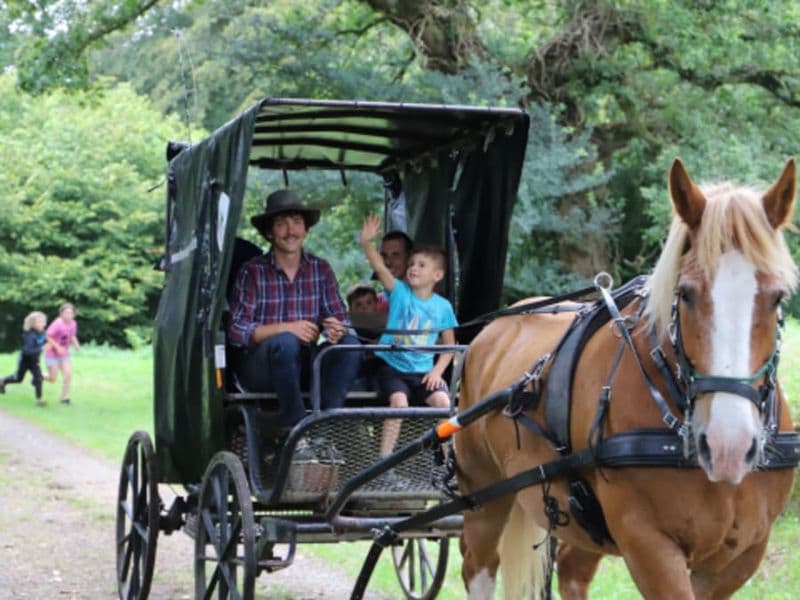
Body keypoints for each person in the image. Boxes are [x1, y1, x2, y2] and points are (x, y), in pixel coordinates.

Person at [227, 189, 362, 436]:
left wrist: (335, 329)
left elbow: (341, 319)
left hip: (305, 364)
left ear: (306, 230)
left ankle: (325, 428)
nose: (291, 231)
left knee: (349, 344)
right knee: (286, 342)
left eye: (297, 223)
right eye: (282, 224)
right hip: (261, 368)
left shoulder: (320, 269)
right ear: (269, 232)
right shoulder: (252, 271)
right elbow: (236, 331)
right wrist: (286, 328)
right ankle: (295, 426)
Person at [359, 215, 457, 459]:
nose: (413, 268)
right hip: (392, 367)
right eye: (411, 263)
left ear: (437, 275)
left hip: (423, 372)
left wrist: (436, 372)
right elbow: (380, 267)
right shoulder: (400, 292)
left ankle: (449, 462)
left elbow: (450, 345)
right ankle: (385, 461)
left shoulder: (443, 307)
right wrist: (366, 242)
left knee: (444, 404)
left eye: (421, 265)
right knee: (399, 403)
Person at [1, 311, 51, 406]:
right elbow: (28, 351)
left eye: (43, 322)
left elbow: (43, 342)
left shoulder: (42, 332)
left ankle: (39, 400)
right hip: (24, 360)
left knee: (38, 378)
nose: (42, 324)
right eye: (39, 322)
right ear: (32, 323)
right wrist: (42, 349)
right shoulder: (29, 335)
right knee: (18, 379)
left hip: (34, 361)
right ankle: (3, 381)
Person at [45, 302, 80, 405]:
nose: (68, 315)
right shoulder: (57, 323)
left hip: (64, 354)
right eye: (66, 313)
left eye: (71, 313)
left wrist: (76, 345)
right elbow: (48, 336)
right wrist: (57, 347)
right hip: (52, 354)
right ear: (61, 313)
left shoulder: (73, 323)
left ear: (73, 314)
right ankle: (39, 376)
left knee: (68, 375)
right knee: (52, 378)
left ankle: (64, 398)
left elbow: (72, 335)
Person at [375, 230, 413, 312]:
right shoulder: (373, 304)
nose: (388, 262)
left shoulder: (429, 299)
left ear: (410, 257)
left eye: (395, 255)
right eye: (383, 255)